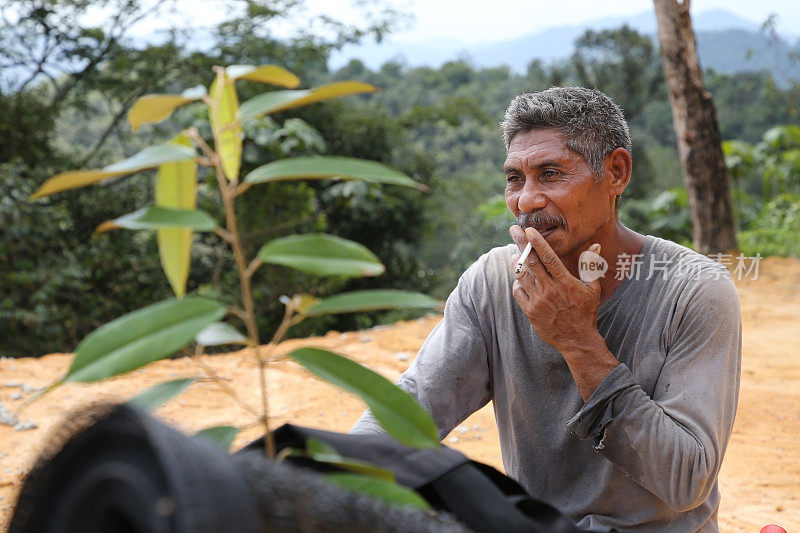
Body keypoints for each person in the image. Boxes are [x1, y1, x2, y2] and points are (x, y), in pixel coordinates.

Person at [351, 86, 741, 532]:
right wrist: (323, 477)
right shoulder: (493, 283)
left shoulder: (693, 289)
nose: (527, 201)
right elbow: (411, 409)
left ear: (616, 173)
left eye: (551, 174)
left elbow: (686, 480)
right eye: (515, 179)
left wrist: (578, 339)